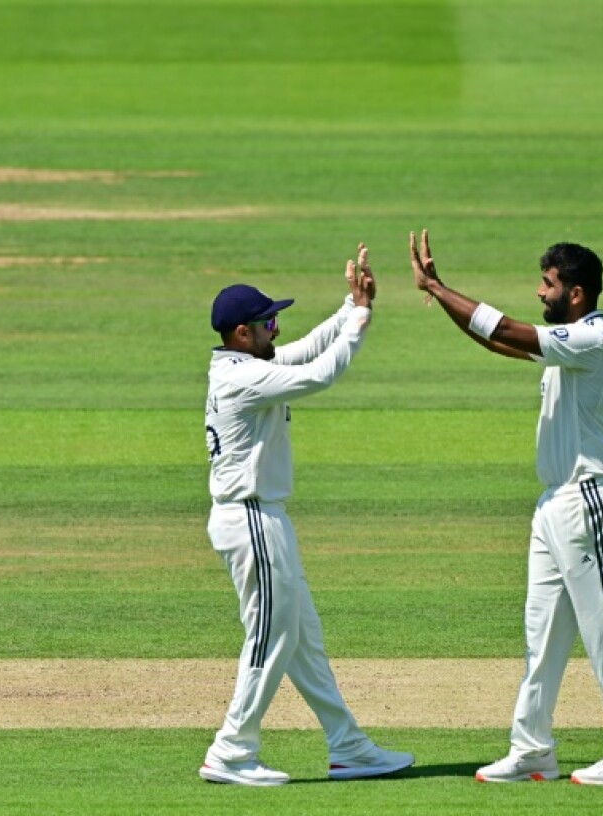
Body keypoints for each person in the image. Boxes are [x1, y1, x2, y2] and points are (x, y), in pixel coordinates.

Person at [409, 230, 603, 785]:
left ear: (575, 293)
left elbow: (504, 328)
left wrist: (437, 286)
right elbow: (497, 342)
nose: (538, 291)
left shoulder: (592, 338)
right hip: (556, 505)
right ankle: (532, 749)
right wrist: (444, 298)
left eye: (547, 284)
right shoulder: (569, 339)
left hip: (590, 496)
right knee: (541, 633)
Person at [200, 245, 415, 786]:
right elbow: (320, 373)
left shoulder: (249, 363)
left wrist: (351, 305)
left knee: (302, 639)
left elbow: (304, 349)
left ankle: (349, 747)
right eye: (268, 322)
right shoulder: (242, 379)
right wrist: (361, 322)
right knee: (271, 639)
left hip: (263, 518)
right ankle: (231, 751)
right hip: (250, 520)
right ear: (243, 333)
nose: (276, 328)